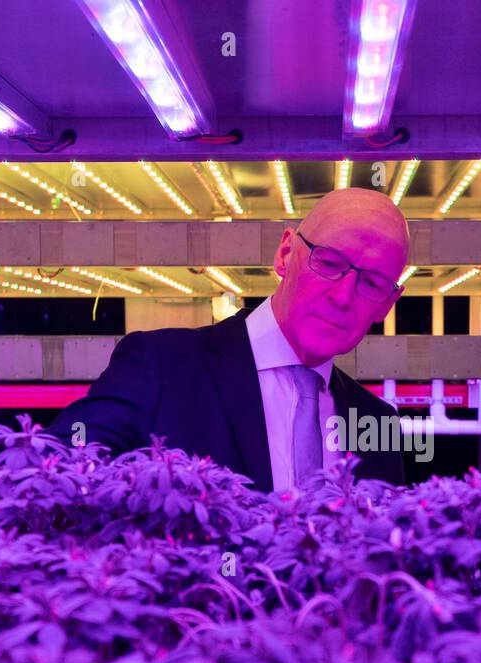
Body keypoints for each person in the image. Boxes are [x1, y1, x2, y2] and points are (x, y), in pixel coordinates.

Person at [45, 188, 409, 491]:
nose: (343, 296)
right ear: (285, 254)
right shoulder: (159, 366)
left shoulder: (376, 421)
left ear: (388, 306)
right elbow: (49, 479)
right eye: (328, 263)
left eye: (372, 284)